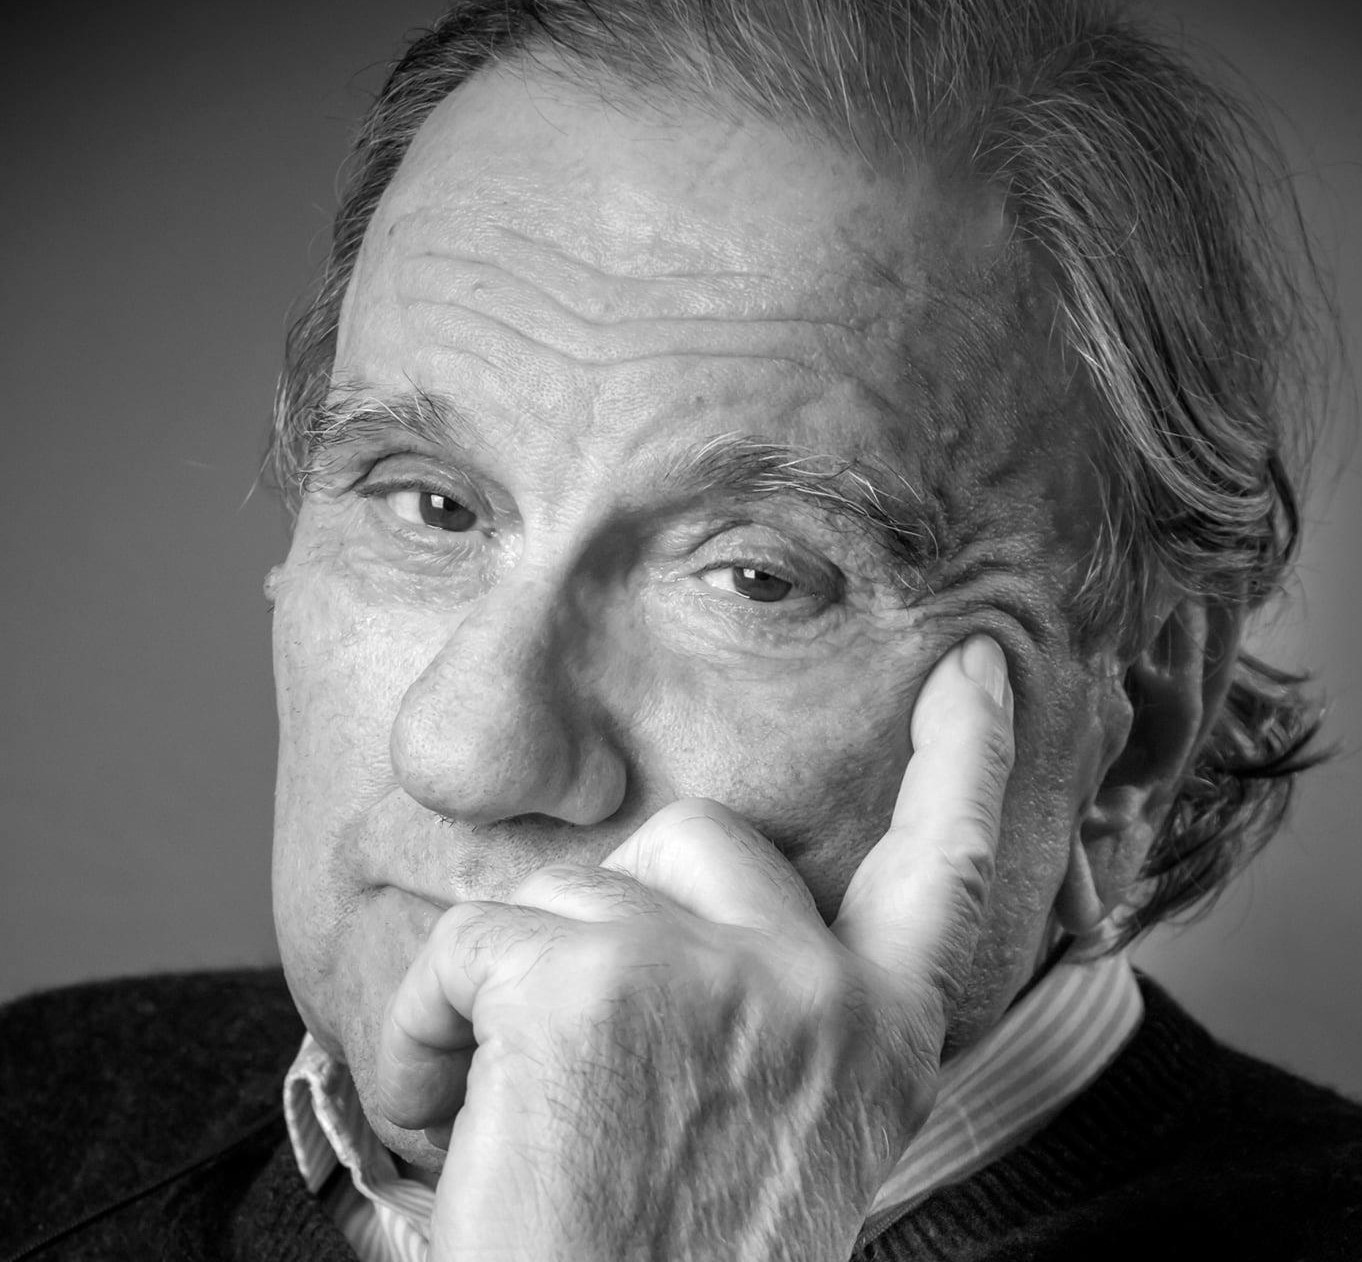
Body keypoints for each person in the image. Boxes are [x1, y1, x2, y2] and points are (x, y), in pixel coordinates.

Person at [3, 0, 1360, 1257]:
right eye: (431, 504)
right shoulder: (39, 1113)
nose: (463, 752)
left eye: (757, 578)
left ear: (1137, 730)